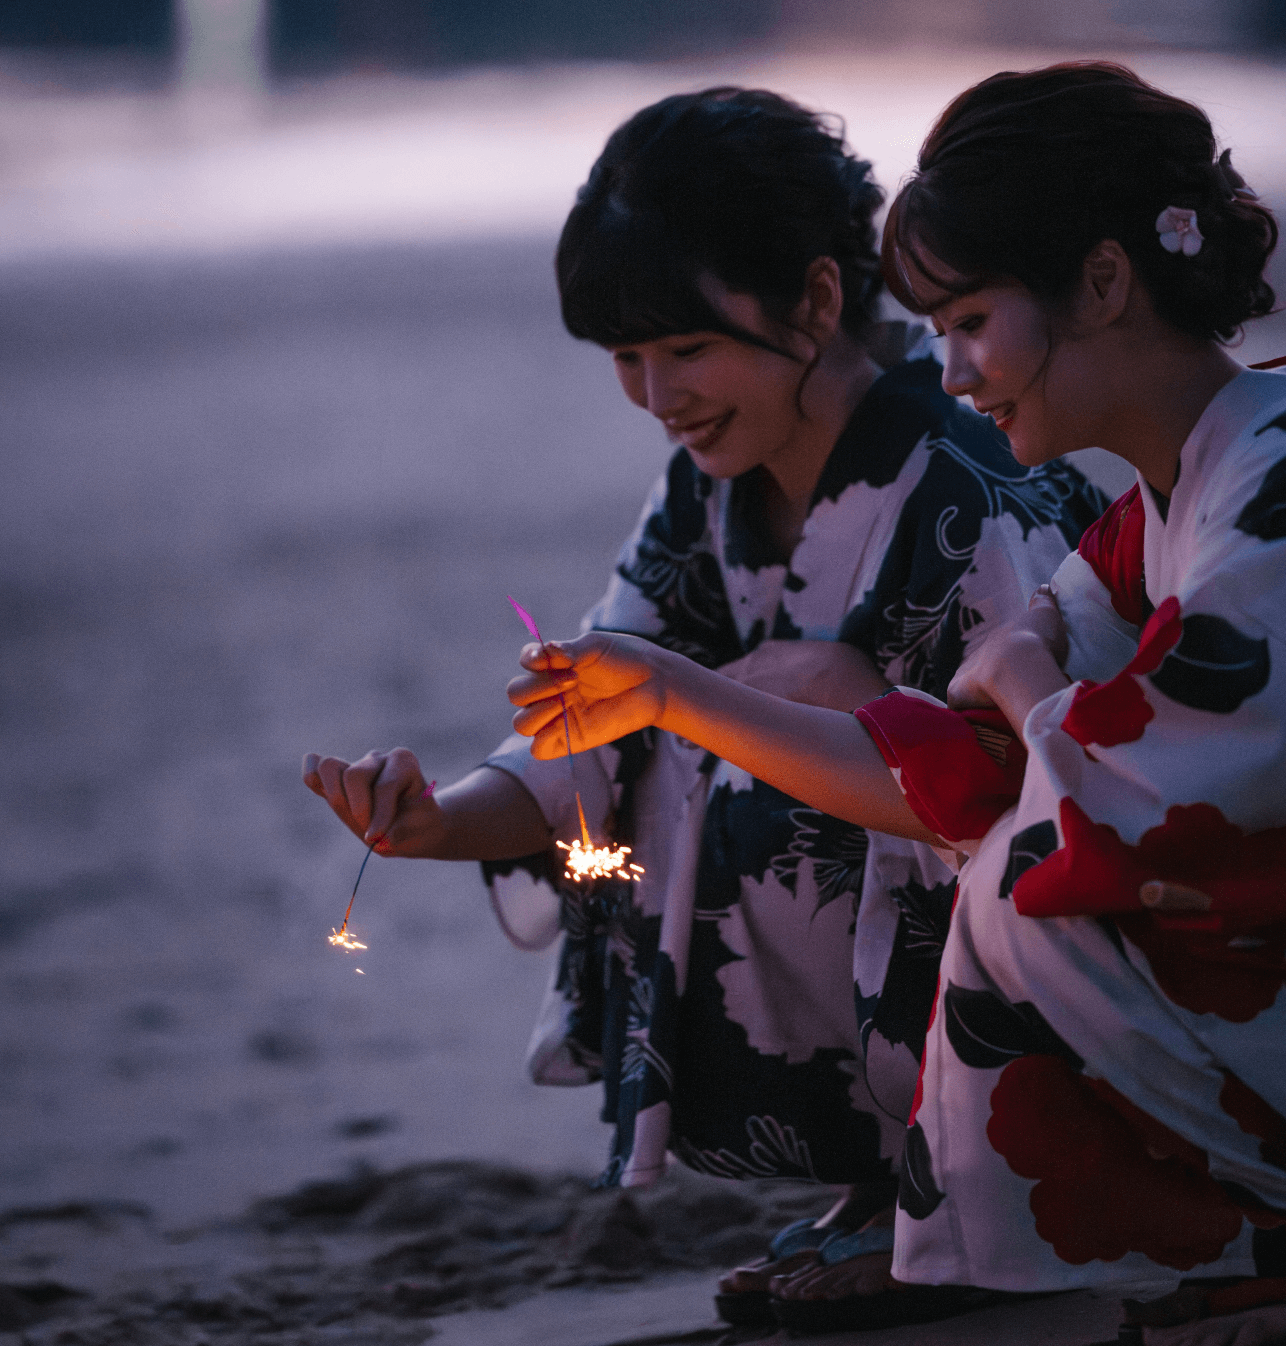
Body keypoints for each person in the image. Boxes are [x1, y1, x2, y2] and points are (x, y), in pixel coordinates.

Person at [507, 64, 1286, 1343]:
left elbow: (1139, 807)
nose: (952, 371)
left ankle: (1273, 1227)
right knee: (980, 847)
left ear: (1104, 283)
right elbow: (962, 759)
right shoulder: (1156, 506)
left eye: (968, 320)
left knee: (1022, 886)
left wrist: (1016, 679)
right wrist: (673, 698)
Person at [303, 86, 1102, 1330]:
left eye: (686, 348)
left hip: (1071, 933)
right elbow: (600, 713)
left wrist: (744, 704)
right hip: (921, 901)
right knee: (685, 741)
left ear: (816, 299)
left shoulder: (959, 477)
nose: (656, 393)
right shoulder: (705, 487)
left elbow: (1023, 792)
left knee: (745, 749)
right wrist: (436, 819)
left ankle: (969, 1182)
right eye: (626, 357)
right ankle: (891, 1172)